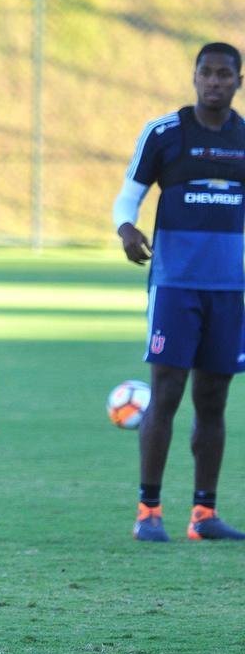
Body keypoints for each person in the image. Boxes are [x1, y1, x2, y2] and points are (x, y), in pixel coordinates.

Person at [115, 42, 245, 543]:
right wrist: (127, 230)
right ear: (194, 77)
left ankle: (204, 515)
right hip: (174, 287)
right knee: (166, 393)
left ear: (238, 82)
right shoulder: (165, 134)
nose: (214, 82)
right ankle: (149, 510)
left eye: (224, 75)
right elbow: (129, 195)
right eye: (206, 73)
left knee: (213, 400)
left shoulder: (242, 138)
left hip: (228, 291)